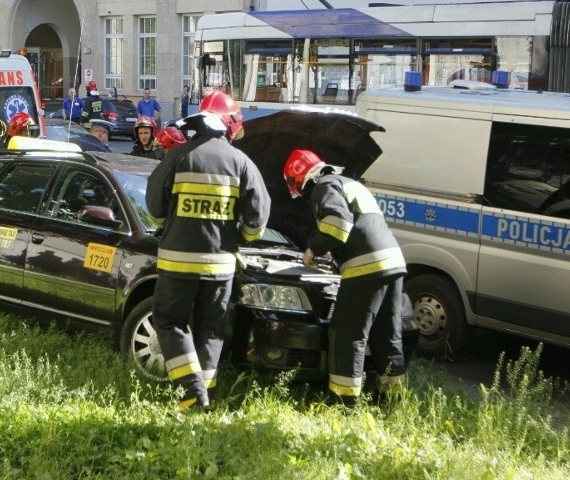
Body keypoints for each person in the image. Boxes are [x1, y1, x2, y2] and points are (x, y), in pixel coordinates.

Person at [145, 91, 271, 411]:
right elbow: (258, 218)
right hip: (221, 264)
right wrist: (240, 237)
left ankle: (192, 392)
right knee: (210, 330)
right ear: (229, 125)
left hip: (177, 261)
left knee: (170, 321)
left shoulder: (178, 156)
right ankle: (203, 396)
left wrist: (171, 224)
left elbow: (154, 207)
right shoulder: (242, 162)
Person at [283, 149, 407, 405]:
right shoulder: (349, 183)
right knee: (388, 335)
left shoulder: (324, 186)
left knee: (346, 334)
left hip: (366, 268)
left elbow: (338, 224)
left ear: (300, 180)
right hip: (393, 263)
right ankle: (393, 402)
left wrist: (312, 250)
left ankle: (343, 403)